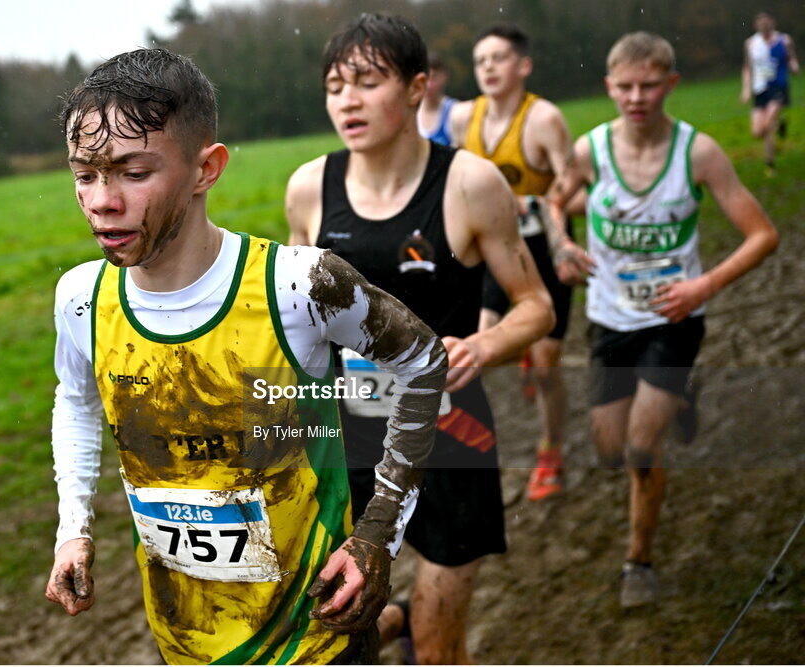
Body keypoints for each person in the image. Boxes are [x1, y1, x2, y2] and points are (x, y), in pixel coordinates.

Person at [45, 48, 453, 664]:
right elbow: (76, 398)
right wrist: (72, 528)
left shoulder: (301, 286)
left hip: (317, 635)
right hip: (183, 639)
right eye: (85, 174)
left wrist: (376, 537)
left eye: (133, 172)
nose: (102, 200)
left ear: (206, 169)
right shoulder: (80, 298)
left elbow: (423, 363)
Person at [286, 13, 554, 663]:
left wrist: (482, 347)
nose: (346, 100)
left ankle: (415, 623)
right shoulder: (308, 190)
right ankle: (392, 618)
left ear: (416, 87)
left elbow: (536, 306)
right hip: (347, 440)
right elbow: (295, 322)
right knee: (338, 637)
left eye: (367, 81)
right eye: (333, 86)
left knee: (437, 648)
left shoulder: (470, 183)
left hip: (450, 438)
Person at [548, 31, 779, 608]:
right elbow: (554, 201)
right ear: (609, 87)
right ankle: (681, 395)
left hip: (674, 317)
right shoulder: (590, 150)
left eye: (649, 85)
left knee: (640, 448)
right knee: (608, 448)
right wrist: (559, 245)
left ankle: (638, 562)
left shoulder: (697, 153)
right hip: (607, 318)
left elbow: (763, 235)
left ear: (670, 85)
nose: (636, 96)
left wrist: (702, 285)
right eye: (624, 86)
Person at [448, 23, 576, 502]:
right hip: (493, 250)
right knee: (473, 342)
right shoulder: (464, 118)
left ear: (522, 65)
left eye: (498, 59)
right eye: (481, 61)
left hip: (543, 251)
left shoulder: (544, 119)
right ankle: (465, 439)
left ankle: (551, 449)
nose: (488, 69)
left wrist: (533, 203)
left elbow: (572, 185)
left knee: (546, 364)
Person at [740, 11, 799, 175]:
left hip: (779, 87)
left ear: (772, 23)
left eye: (767, 23)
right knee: (758, 131)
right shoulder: (751, 43)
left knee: (767, 125)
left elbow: (791, 58)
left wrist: (794, 66)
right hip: (760, 89)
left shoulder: (784, 40)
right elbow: (747, 68)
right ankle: (780, 125)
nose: (764, 26)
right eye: (761, 24)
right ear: (756, 26)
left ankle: (769, 164)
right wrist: (746, 89)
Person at [417, 51, 458, 146]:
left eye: (433, 78)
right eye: (424, 79)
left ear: (444, 77)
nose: (428, 85)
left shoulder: (455, 112)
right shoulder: (409, 114)